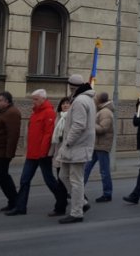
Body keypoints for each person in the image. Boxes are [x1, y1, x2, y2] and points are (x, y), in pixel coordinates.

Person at [6, 89, 57, 216]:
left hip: (42, 154)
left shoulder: (49, 112)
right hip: (32, 153)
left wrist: (43, 152)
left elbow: (48, 134)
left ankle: (62, 199)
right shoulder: (35, 113)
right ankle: (20, 207)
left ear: (43, 99)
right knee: (24, 180)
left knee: (49, 180)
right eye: (33, 99)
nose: (33, 102)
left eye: (35, 99)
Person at [56, 74, 96, 224]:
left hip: (76, 147)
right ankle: (82, 203)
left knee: (75, 180)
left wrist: (67, 142)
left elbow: (79, 125)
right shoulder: (85, 99)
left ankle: (77, 212)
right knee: (64, 176)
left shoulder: (80, 101)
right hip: (77, 146)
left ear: (72, 87)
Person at [83, 92, 114, 202]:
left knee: (104, 171)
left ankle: (107, 193)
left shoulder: (105, 112)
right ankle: (78, 191)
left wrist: (90, 123)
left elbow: (102, 129)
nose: (94, 100)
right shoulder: (100, 110)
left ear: (100, 100)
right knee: (86, 168)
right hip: (96, 145)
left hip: (102, 145)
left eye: (95, 99)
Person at [48, 97, 71, 217]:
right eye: (63, 103)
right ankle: (81, 201)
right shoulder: (58, 117)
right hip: (59, 154)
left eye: (67, 103)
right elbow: (54, 138)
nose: (65, 105)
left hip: (68, 154)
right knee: (62, 181)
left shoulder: (71, 117)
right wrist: (51, 153)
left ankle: (60, 207)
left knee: (64, 181)